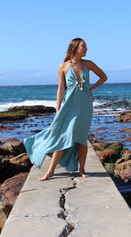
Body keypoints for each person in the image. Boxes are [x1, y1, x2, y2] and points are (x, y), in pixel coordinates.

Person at [24, 38, 107, 181]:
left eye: (86, 47)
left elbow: (103, 77)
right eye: (83, 46)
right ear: (75, 48)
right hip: (69, 106)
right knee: (63, 136)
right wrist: (57, 109)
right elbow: (60, 89)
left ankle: (81, 169)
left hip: (85, 106)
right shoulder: (63, 67)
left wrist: (90, 89)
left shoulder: (88, 64)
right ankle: (50, 171)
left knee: (81, 138)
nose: (86, 49)